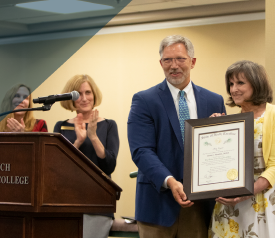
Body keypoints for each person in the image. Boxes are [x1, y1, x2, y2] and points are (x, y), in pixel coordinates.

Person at [127, 35, 226, 238]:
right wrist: (170, 181)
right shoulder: (144, 100)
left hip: (200, 207)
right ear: (161, 63)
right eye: (167, 60)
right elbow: (141, 151)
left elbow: (221, 150)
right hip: (157, 206)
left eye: (180, 58)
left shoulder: (214, 100)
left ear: (193, 61)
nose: (174, 65)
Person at [209, 60, 275, 238]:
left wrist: (246, 193)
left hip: (267, 198)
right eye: (231, 84)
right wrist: (214, 128)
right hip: (233, 201)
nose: (234, 89)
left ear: (256, 84)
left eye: (240, 83)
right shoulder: (231, 122)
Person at [53, 74, 119, 238]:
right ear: (71, 98)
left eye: (88, 92)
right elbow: (57, 169)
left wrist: (93, 136)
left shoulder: (109, 125)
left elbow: (109, 166)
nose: (84, 98)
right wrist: (78, 141)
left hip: (97, 203)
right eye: (78, 94)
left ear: (94, 94)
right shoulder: (60, 126)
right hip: (65, 202)